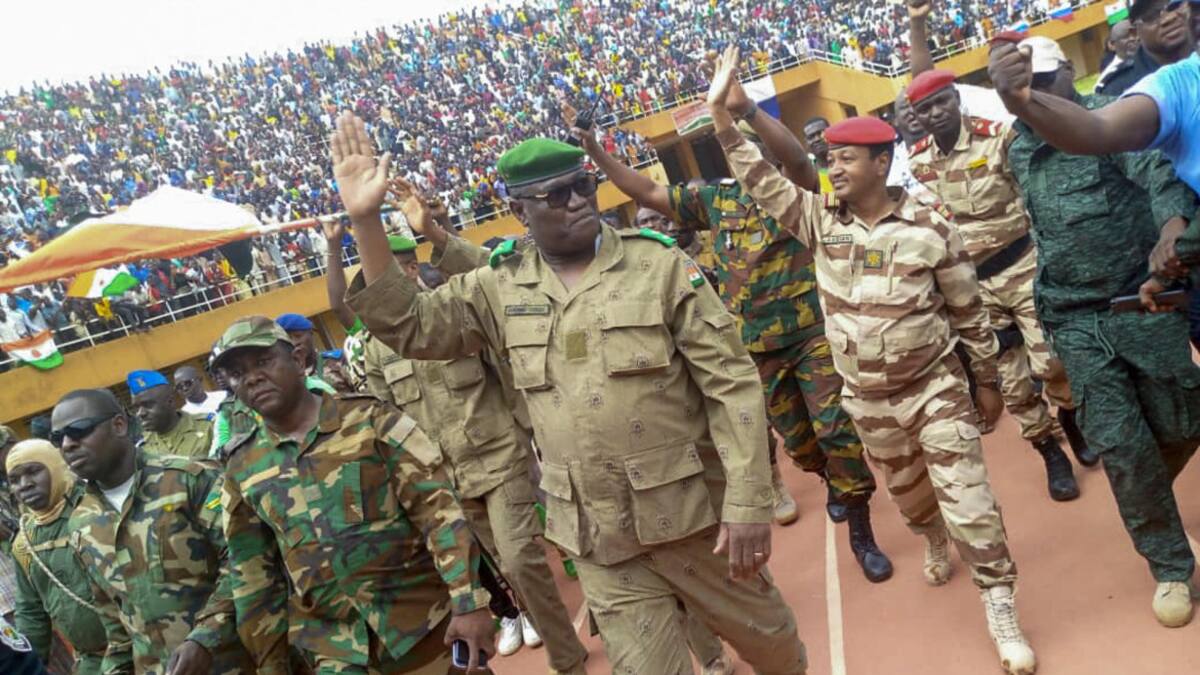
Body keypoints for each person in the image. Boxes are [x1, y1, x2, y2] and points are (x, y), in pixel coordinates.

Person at [335, 111, 808, 674]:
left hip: (693, 521)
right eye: (555, 196)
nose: (578, 201)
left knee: (777, 653)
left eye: (583, 186)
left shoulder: (656, 266)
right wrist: (365, 223)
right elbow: (408, 325)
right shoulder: (498, 287)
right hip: (600, 540)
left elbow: (731, 385)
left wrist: (748, 501)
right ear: (520, 211)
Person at [707, 46, 1035, 675]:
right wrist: (725, 115)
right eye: (830, 159)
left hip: (934, 389)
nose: (833, 167)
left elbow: (969, 312)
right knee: (912, 500)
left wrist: (987, 382)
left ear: (882, 162)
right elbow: (759, 177)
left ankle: (999, 602)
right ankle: (931, 537)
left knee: (970, 501)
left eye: (846, 158)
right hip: (868, 403)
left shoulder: (930, 227)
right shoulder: (817, 221)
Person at [573, 75, 893, 584]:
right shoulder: (716, 203)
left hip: (810, 336)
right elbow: (648, 190)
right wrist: (596, 152)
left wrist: (748, 113)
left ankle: (861, 528)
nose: (750, 159)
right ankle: (829, 478)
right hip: (758, 349)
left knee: (836, 428)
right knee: (799, 444)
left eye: (755, 150)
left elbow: (797, 159)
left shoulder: (793, 192)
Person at [995, 35, 1200, 628]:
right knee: (1120, 444)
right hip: (1072, 315)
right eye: (1024, 87)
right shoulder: (1017, 148)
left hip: (1141, 301)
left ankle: (1147, 493)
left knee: (1183, 419)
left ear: (1069, 74)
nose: (1036, 95)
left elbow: (1157, 172)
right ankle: (1170, 566)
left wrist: (1173, 227)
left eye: (1044, 81)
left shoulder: (1109, 118)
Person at [329, 225, 588, 671]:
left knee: (520, 560)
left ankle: (567, 659)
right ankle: (565, 636)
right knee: (505, 569)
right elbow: (387, 420)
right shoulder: (375, 349)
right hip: (446, 475)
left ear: (410, 270)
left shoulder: (455, 312)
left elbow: (505, 377)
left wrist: (530, 434)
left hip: (498, 455)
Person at [209, 316, 497, 673]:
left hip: (424, 628)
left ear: (297, 360)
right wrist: (272, 666)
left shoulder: (370, 420)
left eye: (264, 361)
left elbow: (438, 513)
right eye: (237, 373)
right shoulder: (242, 467)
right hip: (334, 649)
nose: (252, 378)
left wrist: (468, 603)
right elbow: (252, 574)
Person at [907, 4, 1097, 501]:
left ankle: (1071, 419)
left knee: (1052, 362)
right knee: (1010, 381)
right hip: (974, 289)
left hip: (1023, 266)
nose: (935, 113)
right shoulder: (919, 163)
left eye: (942, 102)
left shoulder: (996, 140)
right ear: (917, 117)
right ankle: (1049, 451)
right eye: (925, 109)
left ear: (957, 99)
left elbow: (1030, 198)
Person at [51, 388, 251, 673]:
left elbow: (246, 559)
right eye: (58, 438)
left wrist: (205, 638)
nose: (68, 445)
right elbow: (117, 622)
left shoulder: (190, 480)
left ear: (119, 425)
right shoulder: (82, 523)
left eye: (79, 431)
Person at [7, 440, 116, 674]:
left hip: (144, 649)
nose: (24, 485)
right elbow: (31, 611)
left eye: (34, 471)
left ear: (56, 466)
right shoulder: (25, 542)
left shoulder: (99, 508)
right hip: (94, 663)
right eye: (14, 479)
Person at [1096, 0, 1192, 96]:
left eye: (1176, 5)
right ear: (1135, 31)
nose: (1169, 18)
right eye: (1151, 16)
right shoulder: (1118, 88)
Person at [127, 369, 214, 459]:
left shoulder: (209, 427)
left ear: (170, 401)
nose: (140, 413)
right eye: (136, 408)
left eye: (148, 405)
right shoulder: (142, 448)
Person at [275, 313, 323, 377]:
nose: (294, 343)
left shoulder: (333, 364)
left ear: (311, 333)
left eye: (298, 336)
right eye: (287, 339)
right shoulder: (280, 376)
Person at [1097, 19, 1140, 88]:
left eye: (1135, 34)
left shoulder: (1153, 57)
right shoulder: (1108, 79)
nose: (1132, 38)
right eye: (1125, 36)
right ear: (1112, 45)